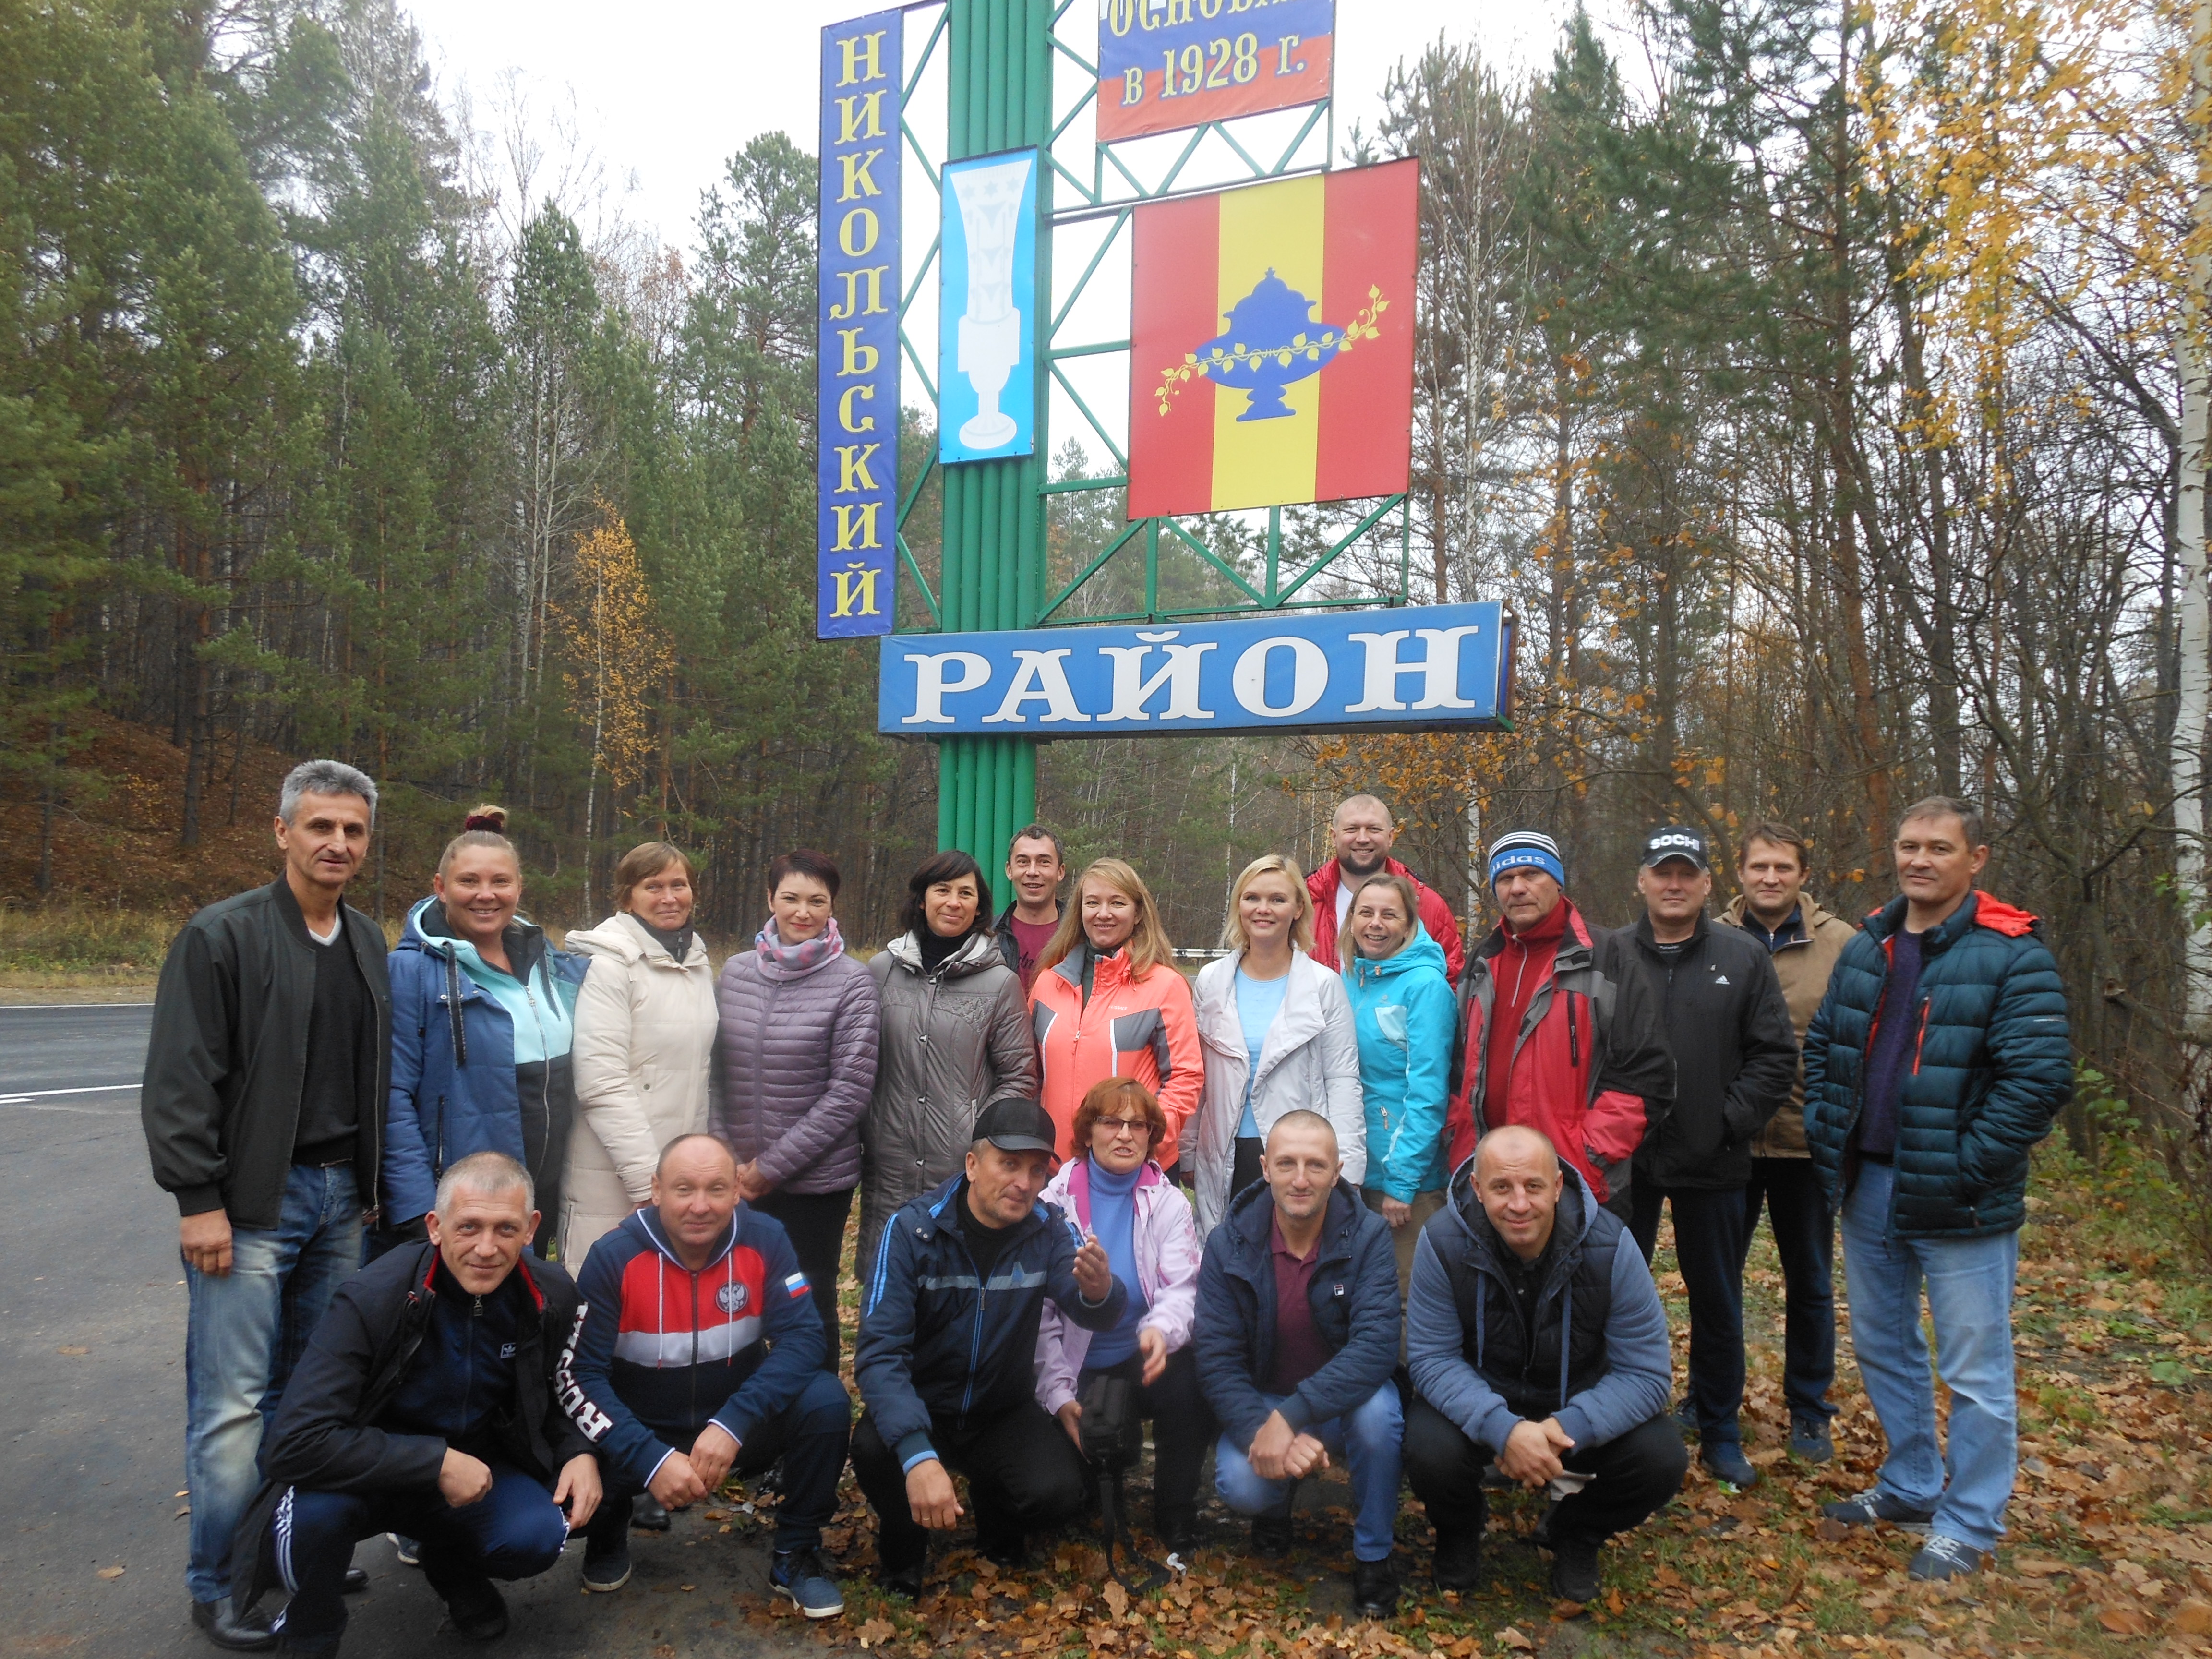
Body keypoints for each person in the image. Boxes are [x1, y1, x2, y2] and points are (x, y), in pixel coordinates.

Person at [142, 758, 390, 1652]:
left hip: (338, 1206)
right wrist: (198, 1199)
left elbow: (371, 1078)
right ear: (282, 832)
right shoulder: (221, 937)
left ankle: (291, 1553)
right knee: (234, 1402)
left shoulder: (367, 941)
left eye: (353, 830)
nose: (336, 843)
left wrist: (365, 1192)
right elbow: (180, 1081)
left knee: (309, 1398)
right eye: (320, 826)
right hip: (248, 1206)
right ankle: (217, 1579)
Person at [1804, 798, 2072, 1581]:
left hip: (1962, 1201)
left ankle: (1969, 1520)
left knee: (1974, 1368)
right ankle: (1913, 1483)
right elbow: (1824, 1043)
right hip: (1869, 1186)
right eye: (1908, 845)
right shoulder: (1869, 944)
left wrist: (1963, 1164)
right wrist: (1831, 1132)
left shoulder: (2010, 953)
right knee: (1882, 1346)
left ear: (1974, 858)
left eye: (1938, 848)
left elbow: (2037, 1078)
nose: (1919, 860)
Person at [227, 1153, 602, 1654]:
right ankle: (312, 1627)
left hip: (480, 1466)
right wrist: (434, 1462)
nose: (486, 1248)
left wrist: (579, 1450)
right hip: (370, 1476)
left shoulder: (551, 1293)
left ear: (532, 1228)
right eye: (468, 1227)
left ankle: (451, 1567)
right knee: (314, 1520)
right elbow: (293, 1444)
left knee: (536, 1536)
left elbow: (560, 1391)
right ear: (435, 1226)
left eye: (505, 1229)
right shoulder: (371, 1298)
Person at [562, 1134, 854, 1619]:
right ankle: (608, 1531)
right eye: (684, 1189)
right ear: (656, 1190)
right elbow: (579, 1375)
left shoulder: (766, 1238)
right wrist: (650, 1458)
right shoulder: (613, 1256)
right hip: (643, 1430)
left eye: (717, 1189)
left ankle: (795, 1553)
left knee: (825, 1400)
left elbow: (805, 1339)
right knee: (586, 1434)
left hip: (733, 1424)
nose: (700, 1206)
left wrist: (735, 1420)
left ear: (737, 1190)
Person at [851, 1098, 1126, 1593]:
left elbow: (1093, 1309)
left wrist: (1101, 1291)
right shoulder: (912, 1231)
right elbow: (878, 1353)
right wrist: (917, 1454)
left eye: (1037, 1170)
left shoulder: (1049, 1228)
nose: (1024, 1182)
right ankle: (903, 1550)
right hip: (924, 1404)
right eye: (1009, 1164)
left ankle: (997, 1524)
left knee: (1059, 1493)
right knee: (874, 1448)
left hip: (1002, 1409)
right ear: (973, 1165)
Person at [1404, 1126, 1686, 1603]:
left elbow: (1647, 1374)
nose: (1519, 1204)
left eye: (1533, 1186)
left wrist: (1562, 1427)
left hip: (1577, 1403)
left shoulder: (1611, 1246)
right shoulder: (1442, 1242)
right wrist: (1504, 1430)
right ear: (1476, 1189)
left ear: (1558, 1186)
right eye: (1501, 1188)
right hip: (1485, 1397)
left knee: (1661, 1459)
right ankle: (1460, 1530)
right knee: (1425, 1444)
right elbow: (1431, 1359)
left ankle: (1576, 1530)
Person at [1618, 826, 1798, 1490]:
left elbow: (1775, 1055)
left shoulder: (1743, 956)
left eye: (1685, 874)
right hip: (1625, 1161)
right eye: (1662, 872)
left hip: (1714, 1159)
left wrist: (1728, 1121)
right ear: (1641, 880)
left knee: (1716, 1298)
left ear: (1705, 884)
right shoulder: (1609, 955)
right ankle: (1618, 1415)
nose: (1673, 884)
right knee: (1609, 1291)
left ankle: (1720, 1428)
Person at [1194, 1110, 1405, 1618]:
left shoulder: (1370, 1236)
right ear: (1264, 1168)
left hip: (1344, 1403)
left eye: (1316, 1165)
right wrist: (1263, 1426)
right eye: (1287, 1163)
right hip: (1267, 1401)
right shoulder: (1229, 1243)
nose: (1301, 1178)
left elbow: (1377, 1345)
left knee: (1381, 1419)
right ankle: (1276, 1504)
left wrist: (1293, 1417)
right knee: (1240, 1485)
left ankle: (1374, 1553)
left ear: (1338, 1172)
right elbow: (1216, 1357)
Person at [383, 807, 587, 1259]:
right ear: (440, 888)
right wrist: (419, 1209)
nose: (485, 895)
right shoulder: (410, 973)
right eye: (468, 881)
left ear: (519, 888)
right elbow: (393, 1097)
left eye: (500, 882)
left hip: (546, 1197)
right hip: (469, 1207)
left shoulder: (549, 965)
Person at [1717, 821, 1858, 1463]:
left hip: (1807, 1142)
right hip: (1730, 1142)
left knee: (1811, 1280)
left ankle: (1810, 1409)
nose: (1770, 878)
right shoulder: (1710, 938)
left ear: (1803, 875)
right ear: (1739, 874)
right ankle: (1714, 1399)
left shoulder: (1845, 947)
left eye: (1783, 868)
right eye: (1759, 867)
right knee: (1718, 1280)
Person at [1445, 830, 1673, 1220]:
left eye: (1531, 874)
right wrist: (1460, 1143)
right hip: (1491, 1183)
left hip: (1577, 1183)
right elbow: (1457, 1071)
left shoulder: (1606, 957)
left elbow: (1645, 1074)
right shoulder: (1482, 961)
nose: (1518, 888)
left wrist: (1587, 1155)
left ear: (1558, 881)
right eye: (1505, 879)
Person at [714, 848, 881, 1373]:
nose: (802, 912)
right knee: (736, 1302)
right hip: (736, 1177)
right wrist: (727, 1163)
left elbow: (850, 1090)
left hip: (815, 1186)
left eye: (817, 901)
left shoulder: (853, 982)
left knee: (807, 1303)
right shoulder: (737, 973)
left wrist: (770, 1168)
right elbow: (714, 1072)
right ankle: (745, 1426)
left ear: (833, 908)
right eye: (791, 898)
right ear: (771, 899)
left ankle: (815, 1431)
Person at [1033, 1079, 1208, 1551]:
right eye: (1111, 1122)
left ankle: (1175, 1511)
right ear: (1088, 1132)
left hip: (1143, 1352)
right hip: (1076, 1363)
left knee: (1191, 1380)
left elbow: (1184, 1290)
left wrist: (1158, 1332)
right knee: (1068, 1495)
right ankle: (1098, 1482)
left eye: (1139, 1125)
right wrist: (1058, 1393)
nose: (1125, 1135)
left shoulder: (1169, 1202)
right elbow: (1041, 1319)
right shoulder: (1052, 1204)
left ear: (1153, 1137)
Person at [861, 849, 1038, 1274]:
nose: (953, 902)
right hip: (889, 1165)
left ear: (980, 906)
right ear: (921, 900)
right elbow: (859, 1064)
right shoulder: (880, 971)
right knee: (888, 1290)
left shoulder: (1000, 983)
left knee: (952, 1290)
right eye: (942, 890)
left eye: (966, 893)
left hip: (962, 1169)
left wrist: (979, 1139)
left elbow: (1019, 1077)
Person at [559, 841, 719, 1267]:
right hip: (614, 1178)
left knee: (662, 1312)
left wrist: (688, 1179)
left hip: (676, 1182)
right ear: (628, 895)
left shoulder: (697, 964)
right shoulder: (609, 966)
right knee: (602, 1305)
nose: (669, 898)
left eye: (679, 885)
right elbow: (601, 1082)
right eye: (653, 886)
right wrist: (648, 1184)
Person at [1191, 853, 1365, 1234]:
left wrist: (1347, 1165)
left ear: (1299, 908)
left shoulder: (1323, 986)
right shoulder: (1210, 981)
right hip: (1225, 1151)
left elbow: (1342, 1079)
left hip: (1297, 1158)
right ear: (1239, 905)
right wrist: (1187, 1151)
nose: (1263, 909)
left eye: (1277, 899)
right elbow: (1197, 1075)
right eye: (1252, 898)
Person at [1031, 857, 1202, 1173]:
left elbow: (1185, 1078)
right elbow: (1030, 1076)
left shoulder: (1165, 986)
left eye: (1117, 902)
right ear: (1079, 911)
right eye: (1093, 903)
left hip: (1135, 1170)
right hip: (1056, 1172)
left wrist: (1145, 1144)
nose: (1104, 913)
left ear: (1138, 913)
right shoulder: (1047, 984)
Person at [1340, 871, 1458, 1296]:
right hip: (1355, 1171)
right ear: (1351, 919)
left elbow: (1428, 1091)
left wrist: (1403, 1181)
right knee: (1360, 1294)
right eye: (1366, 912)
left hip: (1405, 1182)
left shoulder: (1426, 987)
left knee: (1406, 1298)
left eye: (1390, 915)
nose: (1376, 923)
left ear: (1410, 924)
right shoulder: (1350, 979)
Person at [1306, 793, 1466, 986]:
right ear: (1334, 836)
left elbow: (1453, 982)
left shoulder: (1424, 903)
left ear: (1391, 837)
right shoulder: (1304, 901)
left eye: (1373, 829)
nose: (1363, 838)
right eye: (1352, 829)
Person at [994, 824, 1067, 991]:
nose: (1032, 871)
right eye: (1023, 862)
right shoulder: (988, 937)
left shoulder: (1081, 938)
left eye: (1044, 862)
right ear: (1009, 870)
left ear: (1060, 872)